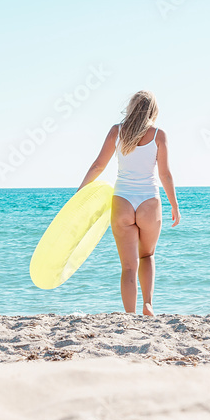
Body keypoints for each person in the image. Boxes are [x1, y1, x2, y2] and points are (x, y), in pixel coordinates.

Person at [78, 90, 180, 315]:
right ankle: (148, 304)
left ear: (132, 107)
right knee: (147, 255)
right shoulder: (158, 135)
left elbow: (98, 166)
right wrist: (174, 205)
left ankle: (130, 315)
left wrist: (80, 192)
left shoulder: (117, 131)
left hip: (122, 201)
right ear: (153, 110)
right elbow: (165, 175)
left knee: (128, 266)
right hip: (149, 203)